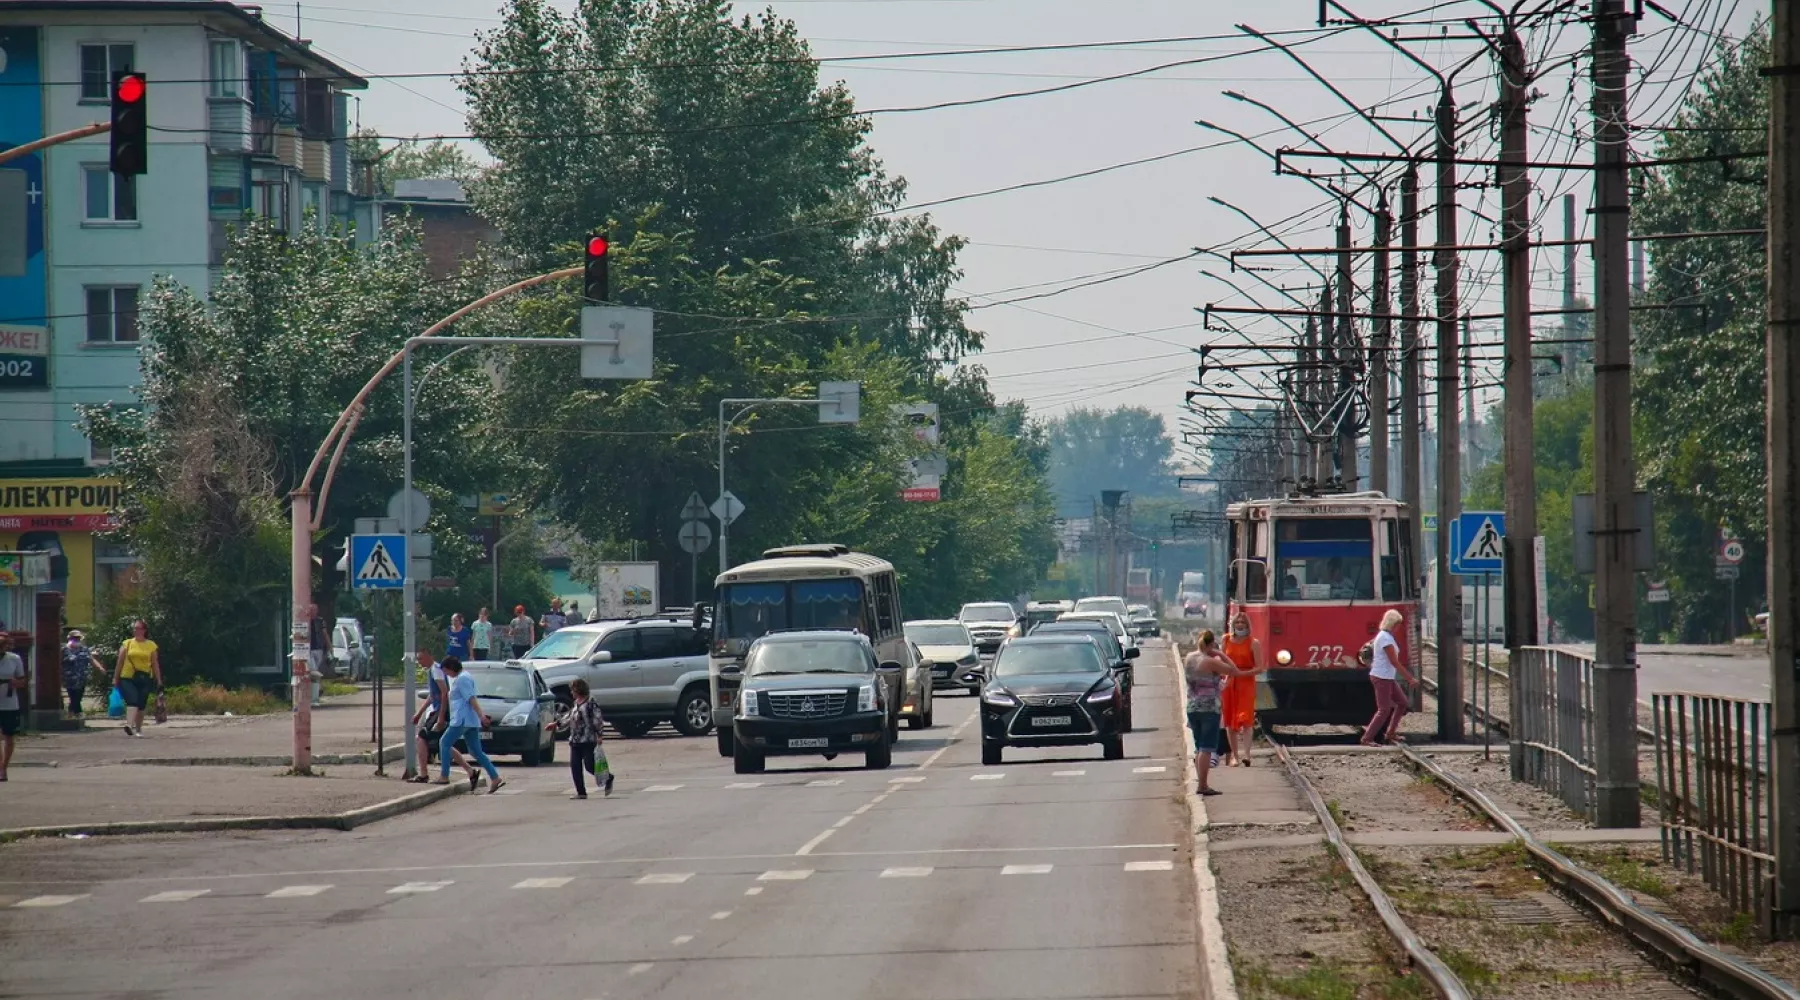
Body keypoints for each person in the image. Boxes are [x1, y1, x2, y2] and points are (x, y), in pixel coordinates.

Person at [1185, 629, 1256, 797]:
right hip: (1209, 708)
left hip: (1192, 708)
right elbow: (1234, 670)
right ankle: (1203, 785)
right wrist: (1220, 654)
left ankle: (1200, 782)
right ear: (1210, 645)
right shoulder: (1210, 661)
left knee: (1198, 747)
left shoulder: (1189, 658)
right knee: (1206, 748)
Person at [410, 648, 475, 785]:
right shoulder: (432, 670)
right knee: (444, 743)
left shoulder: (437, 670)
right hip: (439, 710)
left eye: (421, 658)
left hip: (441, 711)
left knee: (421, 737)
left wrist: (440, 717)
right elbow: (432, 696)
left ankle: (424, 774)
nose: (419, 662)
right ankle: (470, 771)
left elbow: (444, 693)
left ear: (429, 656)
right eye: (418, 659)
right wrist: (419, 713)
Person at [439, 657, 503, 793]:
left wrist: (481, 715)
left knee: (444, 743)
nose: (447, 675)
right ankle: (495, 777)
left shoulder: (462, 679)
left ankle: (444, 775)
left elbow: (471, 698)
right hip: (469, 720)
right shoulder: (464, 676)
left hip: (461, 719)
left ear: (451, 668)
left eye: (446, 671)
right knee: (475, 751)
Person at [1362, 609, 1417, 746]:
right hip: (1381, 677)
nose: (1399, 627)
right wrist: (1409, 678)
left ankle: (1390, 732)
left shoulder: (1386, 636)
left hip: (1387, 676)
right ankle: (1367, 738)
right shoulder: (1385, 638)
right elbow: (1394, 661)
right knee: (1384, 709)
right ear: (1392, 624)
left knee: (1402, 703)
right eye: (1398, 624)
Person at [549, 677, 612, 799]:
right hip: (575, 740)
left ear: (578, 690)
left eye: (573, 690)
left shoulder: (590, 704)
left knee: (589, 765)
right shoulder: (576, 704)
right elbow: (569, 717)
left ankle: (608, 777)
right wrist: (556, 724)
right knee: (575, 767)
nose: (571, 693)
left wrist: (599, 735)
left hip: (588, 740)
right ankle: (581, 792)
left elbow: (597, 720)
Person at [1219, 612, 1266, 767]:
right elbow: (1221, 661)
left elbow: (1260, 667)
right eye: (1237, 622)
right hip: (1229, 682)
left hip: (1246, 683)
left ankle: (1247, 755)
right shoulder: (1225, 640)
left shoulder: (1254, 643)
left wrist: (1243, 673)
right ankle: (1234, 756)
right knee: (1230, 720)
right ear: (1233, 624)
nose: (1240, 625)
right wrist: (1225, 675)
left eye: (1243, 623)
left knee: (1246, 719)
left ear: (1247, 626)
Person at [114, 619, 163, 737]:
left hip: (145, 677)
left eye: (138, 628)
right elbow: (119, 662)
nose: (135, 630)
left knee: (141, 704)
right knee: (132, 700)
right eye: (134, 628)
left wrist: (159, 680)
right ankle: (129, 725)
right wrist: (115, 678)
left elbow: (155, 663)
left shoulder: (151, 645)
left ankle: (139, 729)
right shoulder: (127, 643)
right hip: (127, 677)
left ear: (144, 630)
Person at [61, 629, 107, 717]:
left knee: (78, 696)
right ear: (69, 639)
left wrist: (100, 668)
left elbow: (91, 659)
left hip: (82, 677)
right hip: (69, 678)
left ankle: (75, 713)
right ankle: (74, 714)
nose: (76, 640)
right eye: (74, 638)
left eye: (78, 638)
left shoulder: (84, 649)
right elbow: (59, 661)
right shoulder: (64, 650)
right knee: (73, 697)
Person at [0, 634, 24, 780]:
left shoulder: (14, 659)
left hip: (9, 704)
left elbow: (22, 681)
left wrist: (13, 682)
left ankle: (4, 767)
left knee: (9, 737)